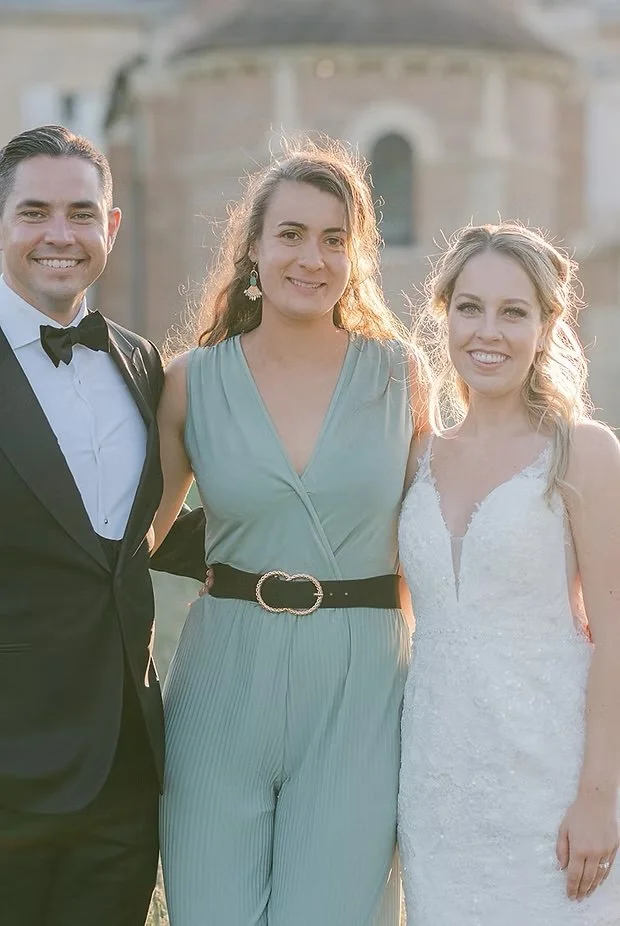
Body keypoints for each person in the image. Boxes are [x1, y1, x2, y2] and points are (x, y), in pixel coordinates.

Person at [152, 135, 425, 925]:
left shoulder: (399, 376)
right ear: (253, 250)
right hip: (222, 677)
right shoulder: (190, 382)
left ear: (355, 257)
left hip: (360, 686)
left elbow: (433, 546)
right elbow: (134, 543)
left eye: (335, 239)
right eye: (292, 235)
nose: (312, 258)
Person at [0, 124, 205, 926]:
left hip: (123, 773)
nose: (61, 234)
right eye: (35, 212)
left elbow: (130, 534)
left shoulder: (138, 361)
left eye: (81, 213)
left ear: (111, 227)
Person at [397, 221, 620, 925]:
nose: (487, 332)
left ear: (547, 326)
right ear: (445, 315)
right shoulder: (415, 456)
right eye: (470, 308)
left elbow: (615, 638)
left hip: (552, 786)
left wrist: (599, 798)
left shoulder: (582, 452)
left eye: (513, 312)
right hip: (435, 790)